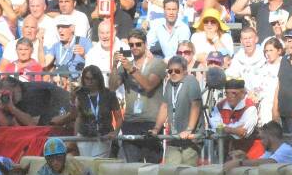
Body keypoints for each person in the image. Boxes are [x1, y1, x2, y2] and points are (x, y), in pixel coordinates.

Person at [108, 29, 166, 163]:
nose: (134, 47)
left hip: (151, 121)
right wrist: (114, 66)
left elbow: (149, 85)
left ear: (145, 44)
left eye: (138, 44)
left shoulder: (157, 63)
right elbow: (112, 87)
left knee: (152, 167)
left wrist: (131, 70)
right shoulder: (125, 66)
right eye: (131, 45)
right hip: (130, 121)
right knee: (133, 168)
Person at [153, 55, 203, 165]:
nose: (173, 73)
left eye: (177, 71)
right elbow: (164, 107)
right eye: (170, 71)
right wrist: (156, 128)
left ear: (185, 71)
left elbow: (196, 106)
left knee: (186, 174)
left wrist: (189, 129)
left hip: (190, 140)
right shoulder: (169, 83)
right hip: (174, 137)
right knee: (170, 173)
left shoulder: (191, 81)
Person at [73, 66, 121, 158]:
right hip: (84, 136)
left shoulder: (109, 94)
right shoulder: (80, 95)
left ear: (99, 79)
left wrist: (116, 132)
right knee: (86, 165)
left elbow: (118, 117)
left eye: (93, 79)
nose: (90, 82)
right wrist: (75, 137)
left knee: (97, 163)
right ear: (83, 79)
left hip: (103, 136)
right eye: (87, 78)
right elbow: (77, 117)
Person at [223, 121, 292, 168]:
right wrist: (244, 157)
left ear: (270, 136)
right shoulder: (270, 152)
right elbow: (258, 164)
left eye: (262, 138)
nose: (261, 142)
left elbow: (269, 163)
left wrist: (240, 163)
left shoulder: (286, 150)